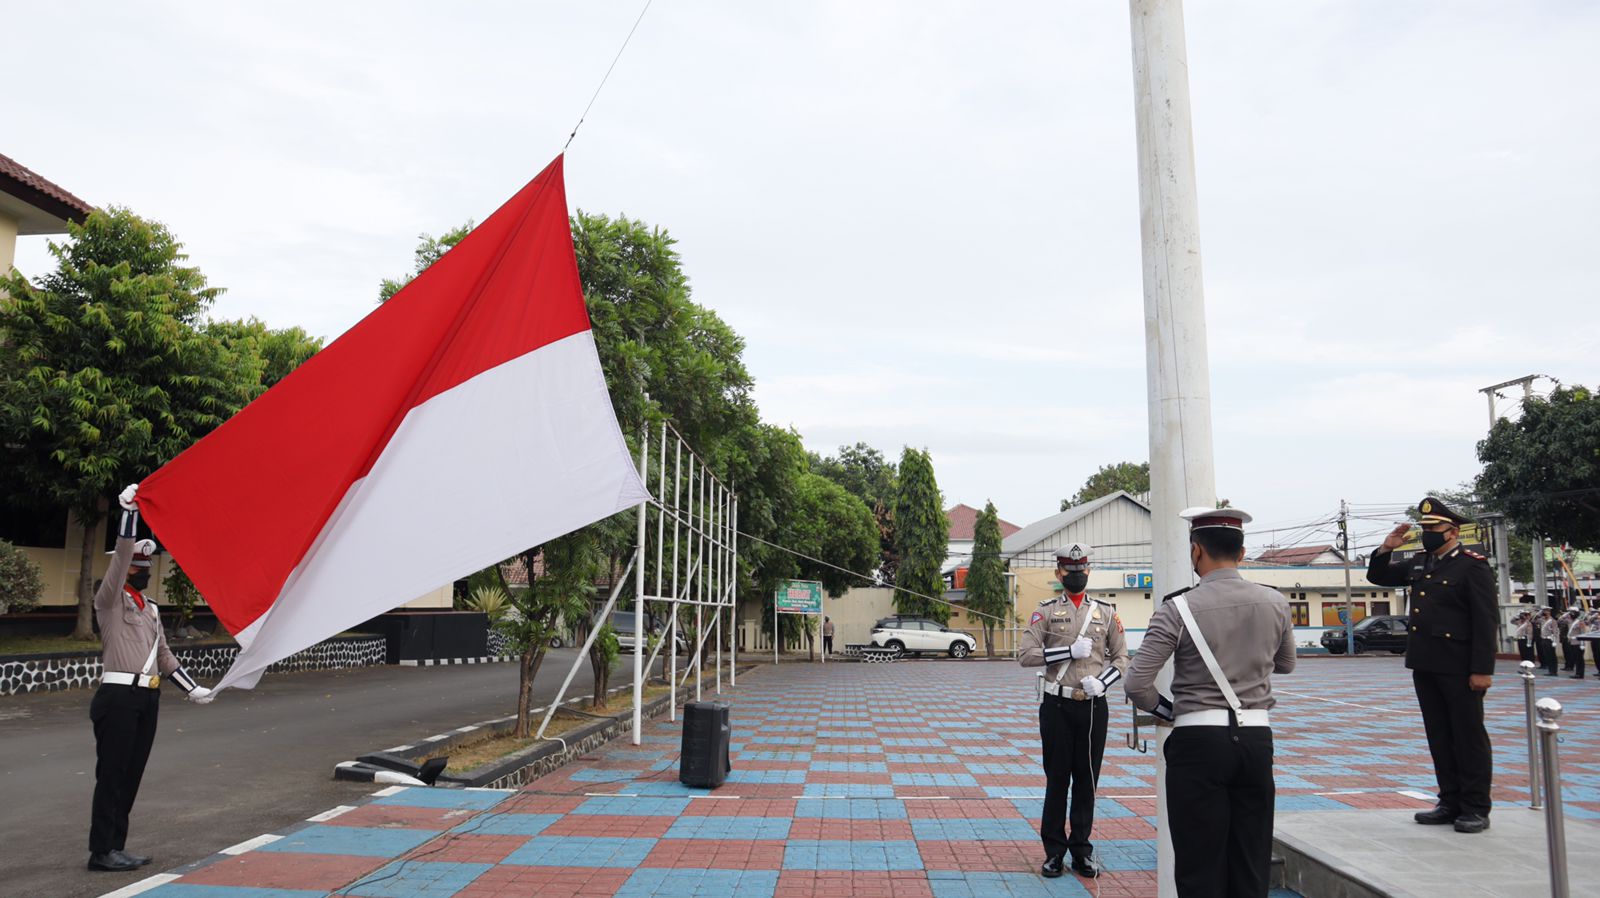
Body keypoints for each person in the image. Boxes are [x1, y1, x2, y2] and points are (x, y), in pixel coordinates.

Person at [1125, 506, 1294, 898]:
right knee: (1251, 863)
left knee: (1200, 867)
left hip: (1198, 741)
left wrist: (1168, 710)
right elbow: (1286, 664)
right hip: (1255, 740)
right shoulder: (1274, 601)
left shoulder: (1177, 608)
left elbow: (1136, 683)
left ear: (1196, 550)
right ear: (1242, 552)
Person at [87, 483, 214, 872]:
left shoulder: (151, 609)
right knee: (112, 774)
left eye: (146, 568)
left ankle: (116, 846)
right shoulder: (108, 600)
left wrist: (193, 689)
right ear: (127, 569)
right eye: (138, 568)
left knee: (131, 775)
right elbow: (121, 557)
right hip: (118, 698)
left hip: (147, 699)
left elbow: (163, 655)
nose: (144, 573)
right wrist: (129, 514)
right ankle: (100, 851)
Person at [1366, 496, 1495, 834]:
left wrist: (1482, 669)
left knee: (1468, 736)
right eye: (1424, 528)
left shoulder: (1472, 565)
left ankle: (1475, 807)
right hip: (1425, 662)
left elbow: (1485, 620)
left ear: (1453, 531)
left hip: (1460, 666)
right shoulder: (1421, 562)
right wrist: (1386, 548)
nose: (1428, 533)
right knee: (1439, 735)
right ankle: (1449, 801)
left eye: (1434, 527)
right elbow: (1379, 577)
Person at [1019, 543, 1128, 880]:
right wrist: (1067, 651)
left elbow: (1122, 657)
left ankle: (1082, 849)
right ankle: (1054, 851)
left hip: (1093, 705)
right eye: (1070, 570)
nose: (1077, 575)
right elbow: (1026, 655)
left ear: (1089, 570)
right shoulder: (1046, 611)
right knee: (1057, 780)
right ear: (1059, 573)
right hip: (1057, 706)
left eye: (1081, 569)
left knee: (1087, 779)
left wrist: (1104, 682)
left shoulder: (1106, 612)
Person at [1538, 608, 1561, 676]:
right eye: (1543, 611)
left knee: (1552, 656)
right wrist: (1540, 612)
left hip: (1550, 640)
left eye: (1545, 611)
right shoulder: (1542, 620)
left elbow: (1555, 632)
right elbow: (1533, 620)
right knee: (1547, 656)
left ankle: (1554, 671)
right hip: (1544, 639)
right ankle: (1550, 670)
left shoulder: (1552, 621)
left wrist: (1554, 641)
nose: (1544, 612)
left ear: (1549, 612)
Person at [1568, 611, 1589, 679]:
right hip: (1573, 643)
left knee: (1579, 659)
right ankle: (1577, 673)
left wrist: (1582, 644)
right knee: (1576, 659)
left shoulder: (1580, 622)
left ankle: (1580, 674)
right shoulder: (1573, 622)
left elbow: (1583, 633)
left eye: (1571, 615)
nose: (1570, 616)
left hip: (1578, 643)